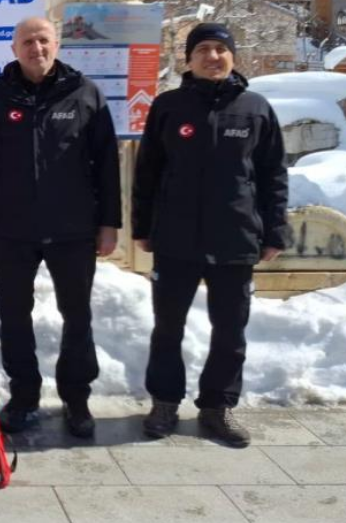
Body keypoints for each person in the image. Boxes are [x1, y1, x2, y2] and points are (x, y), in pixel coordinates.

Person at [0, 16, 121, 439]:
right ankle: (24, 396)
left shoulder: (84, 93)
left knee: (77, 314)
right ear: (14, 49)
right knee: (14, 315)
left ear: (57, 44)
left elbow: (107, 163)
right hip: (12, 229)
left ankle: (76, 398)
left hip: (73, 228)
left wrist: (109, 223)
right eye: (28, 42)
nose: (37, 48)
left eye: (43, 40)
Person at [133, 23, 289, 448]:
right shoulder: (168, 106)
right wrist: (143, 228)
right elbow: (147, 173)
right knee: (168, 327)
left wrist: (274, 231)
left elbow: (273, 175)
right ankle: (164, 402)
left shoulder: (255, 108)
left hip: (235, 237)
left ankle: (217, 407)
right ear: (189, 59)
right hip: (176, 238)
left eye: (221, 49)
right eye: (202, 49)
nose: (212, 57)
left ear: (233, 57)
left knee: (230, 331)